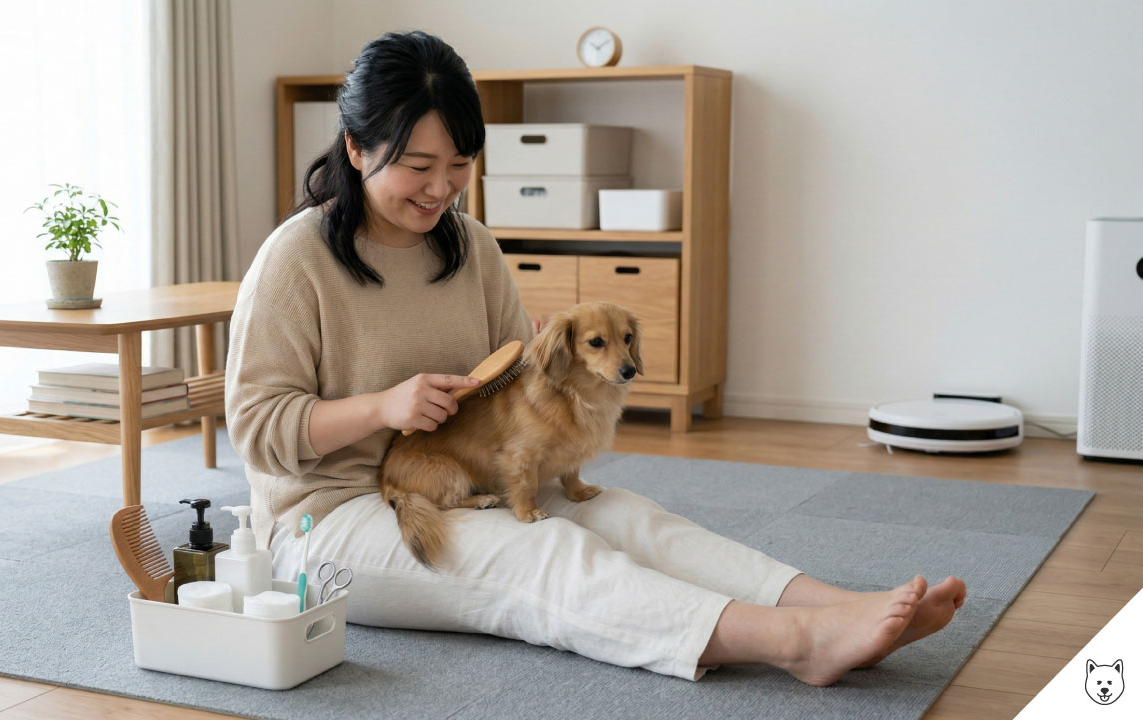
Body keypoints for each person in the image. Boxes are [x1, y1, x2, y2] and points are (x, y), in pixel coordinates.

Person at [225, 30, 966, 685]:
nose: (441, 187)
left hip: (486, 473)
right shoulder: (297, 259)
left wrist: (545, 360)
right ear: (356, 148)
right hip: (334, 520)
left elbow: (509, 384)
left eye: (458, 164)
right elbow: (256, 430)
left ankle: (838, 606)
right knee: (548, 558)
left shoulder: (470, 246)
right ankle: (794, 642)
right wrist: (384, 408)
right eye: (418, 165)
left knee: (634, 520)